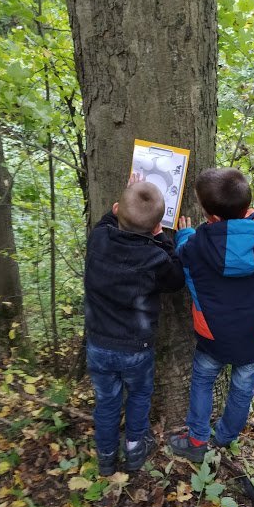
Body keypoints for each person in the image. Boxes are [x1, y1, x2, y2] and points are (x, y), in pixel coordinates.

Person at [169, 168, 254, 462]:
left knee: (203, 381)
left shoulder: (195, 245)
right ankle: (226, 437)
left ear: (212, 217)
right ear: (247, 206)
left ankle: (197, 439)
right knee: (242, 389)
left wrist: (185, 235)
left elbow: (185, 265)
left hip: (213, 337)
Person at [85, 174, 185, 475]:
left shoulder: (99, 239)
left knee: (106, 402)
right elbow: (176, 279)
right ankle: (134, 447)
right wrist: (164, 238)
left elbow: (106, 220)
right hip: (136, 349)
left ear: (116, 209)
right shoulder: (156, 257)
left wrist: (125, 197)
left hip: (99, 345)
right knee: (139, 396)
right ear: (156, 227)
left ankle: (105, 456)